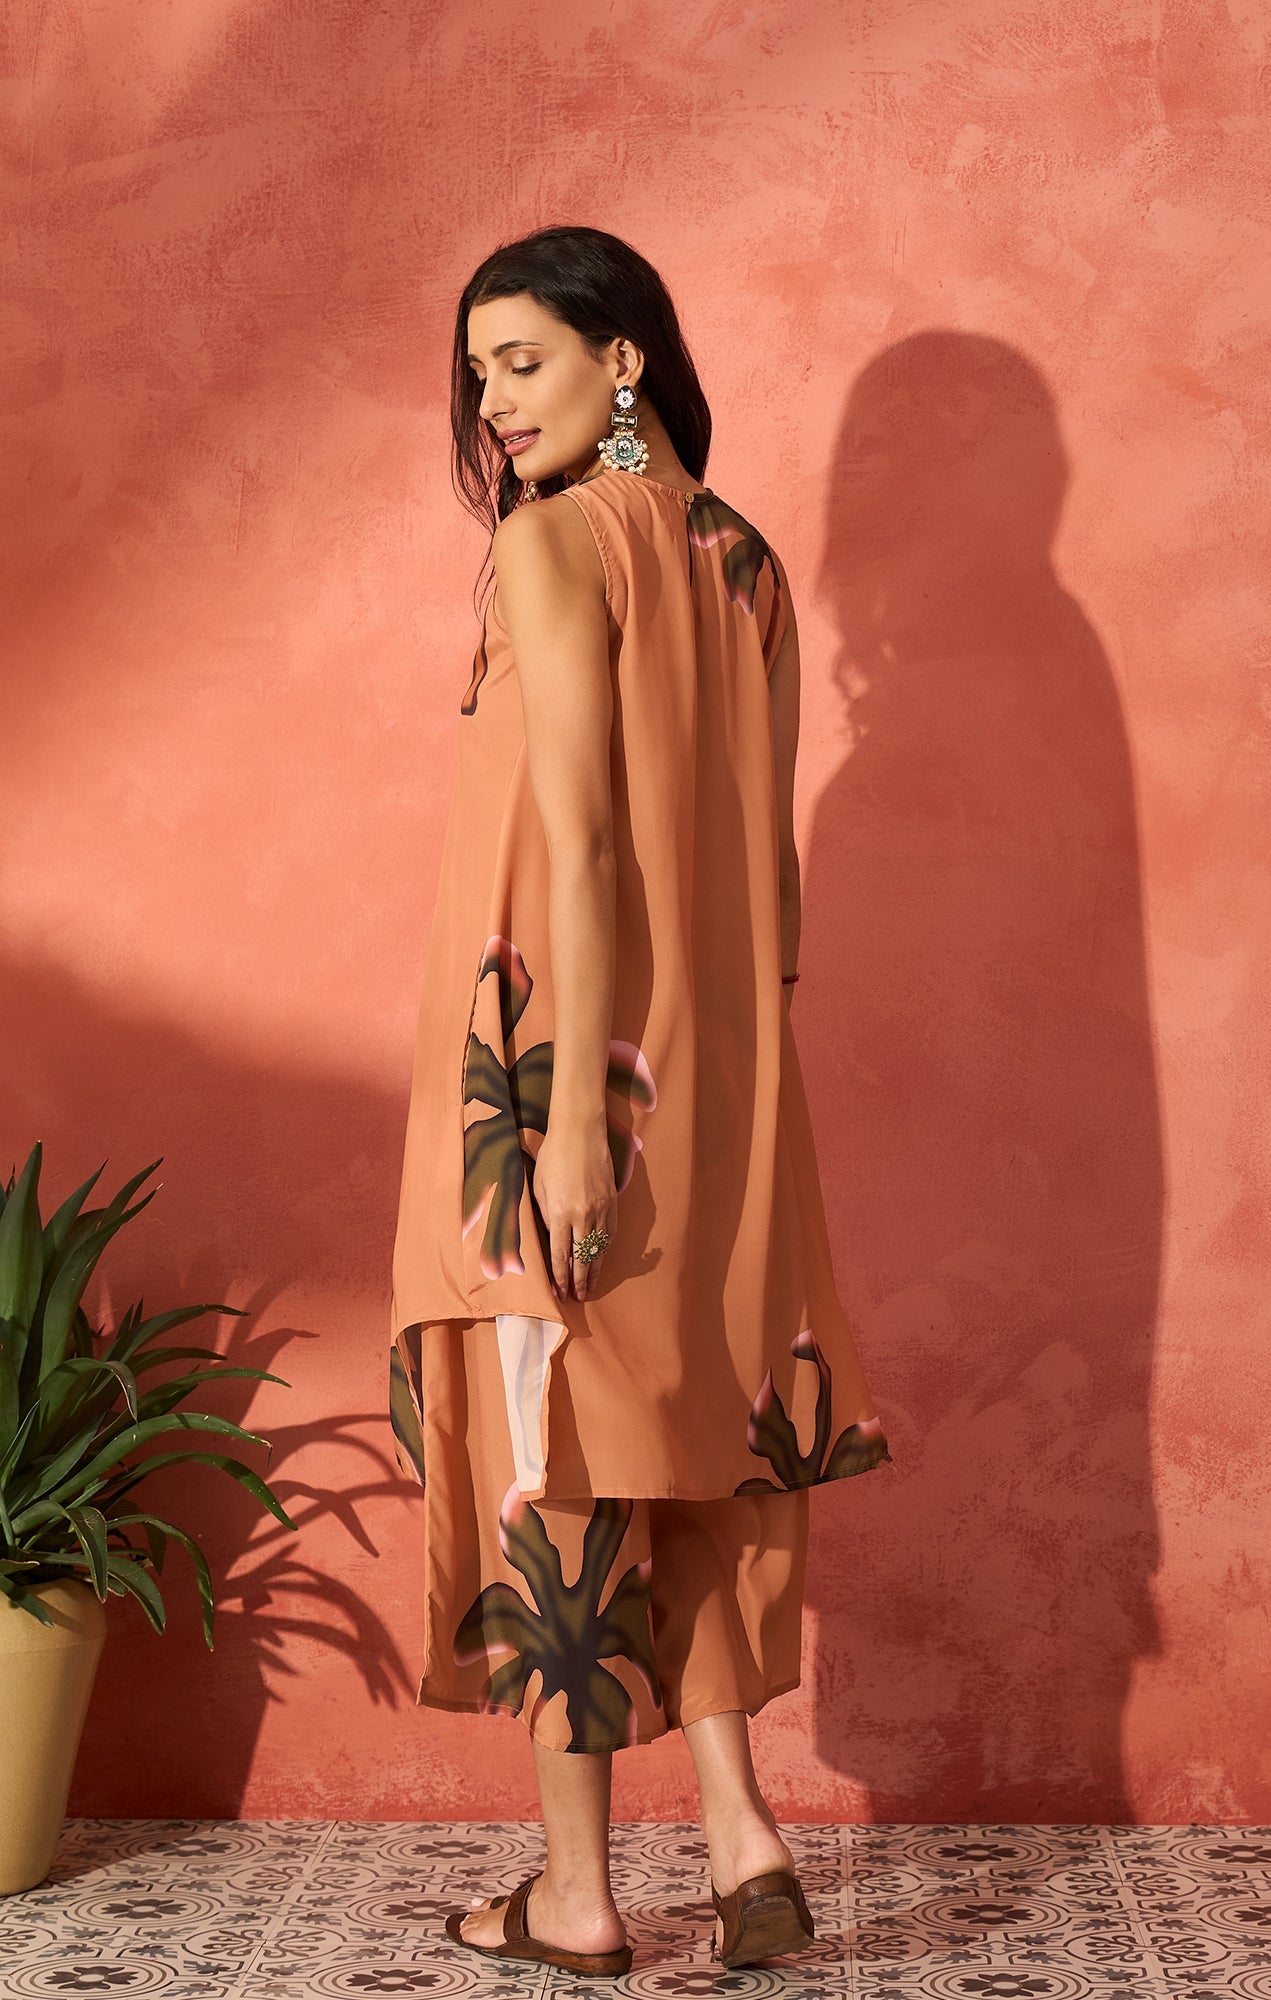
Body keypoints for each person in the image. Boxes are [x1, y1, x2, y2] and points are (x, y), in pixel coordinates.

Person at [387, 224, 893, 1977]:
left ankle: (578, 1894)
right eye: (476, 373)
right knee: (680, 1438)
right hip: (723, 1082)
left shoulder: (552, 541)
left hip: (560, 1070)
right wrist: (708, 1097)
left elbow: (586, 842)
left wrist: (575, 1122)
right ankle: (745, 1843)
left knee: (559, 1460)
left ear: (624, 357)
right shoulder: (746, 562)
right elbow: (776, 895)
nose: (490, 401)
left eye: (520, 360)